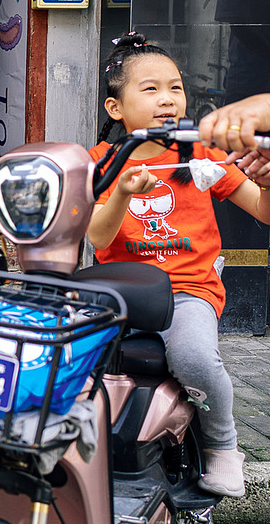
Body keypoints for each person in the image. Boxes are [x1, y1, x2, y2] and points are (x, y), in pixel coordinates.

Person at [87, 34, 270, 498]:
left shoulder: (203, 155)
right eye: (150, 89)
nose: (168, 99)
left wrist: (267, 180)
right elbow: (97, 237)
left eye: (176, 88)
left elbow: (263, 211)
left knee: (192, 358)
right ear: (115, 107)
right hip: (118, 293)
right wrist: (124, 192)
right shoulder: (98, 164)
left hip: (188, 290)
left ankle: (223, 446)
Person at [200, 92, 270, 186]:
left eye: (176, 88)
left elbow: (255, 200)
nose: (172, 101)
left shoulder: (208, 153)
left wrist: (265, 185)